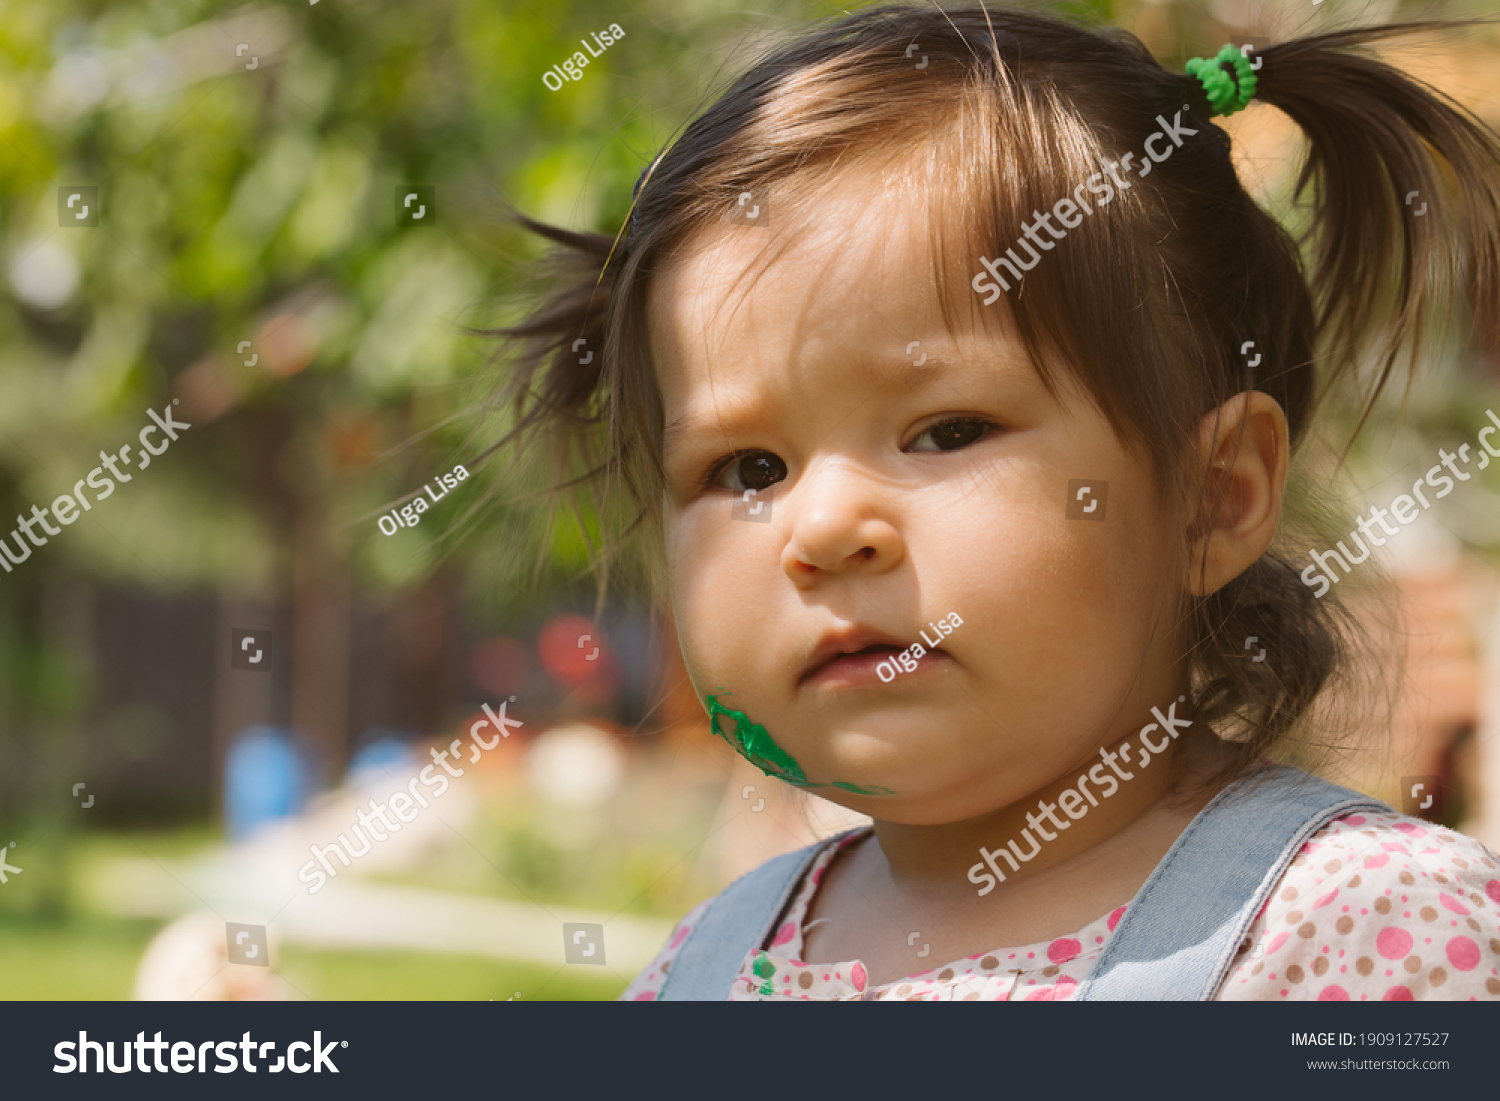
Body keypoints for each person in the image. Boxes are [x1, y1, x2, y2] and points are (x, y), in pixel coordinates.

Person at [485, 4, 1500, 1000]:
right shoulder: (698, 973)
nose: (825, 530)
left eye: (948, 432)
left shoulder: (1364, 935)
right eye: (748, 470)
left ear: (1212, 499)